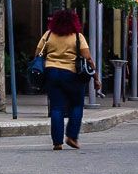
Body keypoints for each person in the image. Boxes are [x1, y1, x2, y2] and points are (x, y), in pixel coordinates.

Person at [35, 8, 95, 149]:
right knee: (76, 105)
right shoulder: (77, 37)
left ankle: (57, 142)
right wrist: (96, 77)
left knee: (56, 107)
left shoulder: (48, 35)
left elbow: (37, 53)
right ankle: (72, 137)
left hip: (51, 73)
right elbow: (87, 58)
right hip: (72, 74)